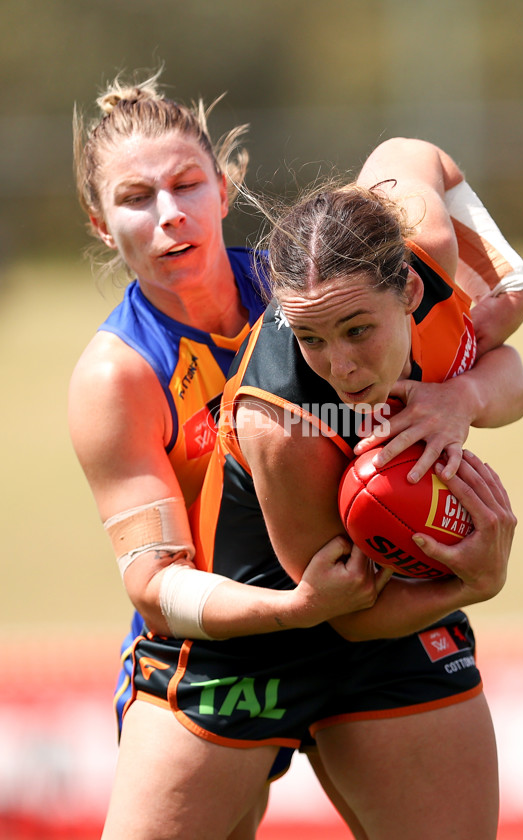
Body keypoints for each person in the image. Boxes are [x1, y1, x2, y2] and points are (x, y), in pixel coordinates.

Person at [99, 136, 523, 840]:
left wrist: (474, 371)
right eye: (312, 339)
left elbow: (414, 151)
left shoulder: (421, 243)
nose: (342, 365)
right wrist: (471, 585)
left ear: (413, 292)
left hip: (395, 620)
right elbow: (342, 610)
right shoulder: (277, 419)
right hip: (250, 640)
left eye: (359, 330)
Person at [69, 72, 388, 840]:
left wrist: (461, 399)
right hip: (218, 654)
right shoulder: (118, 375)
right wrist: (294, 608)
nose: (170, 214)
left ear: (223, 186)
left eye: (186, 185)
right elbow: (152, 584)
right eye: (136, 198)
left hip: (368, 624)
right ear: (102, 225)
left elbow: (494, 361)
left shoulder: (303, 284)